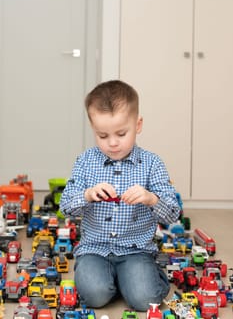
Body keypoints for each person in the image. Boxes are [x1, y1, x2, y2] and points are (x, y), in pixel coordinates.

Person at [59, 79, 181, 311]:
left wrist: (151, 198)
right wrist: (86, 195)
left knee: (146, 301)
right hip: (94, 249)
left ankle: (141, 278)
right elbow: (65, 206)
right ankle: (113, 282)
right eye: (102, 136)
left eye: (121, 133)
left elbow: (173, 213)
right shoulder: (85, 162)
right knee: (94, 296)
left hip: (136, 250)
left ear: (138, 125)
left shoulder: (152, 164)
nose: (113, 143)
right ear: (93, 128)